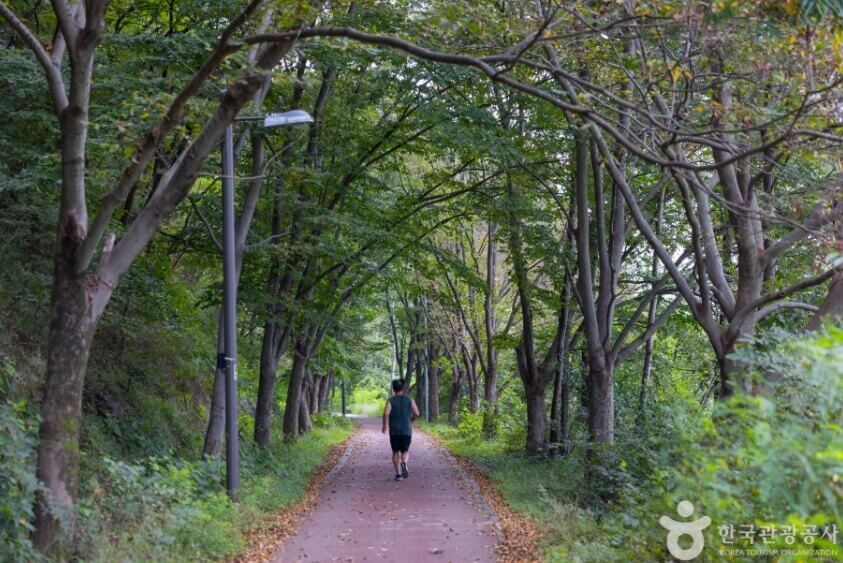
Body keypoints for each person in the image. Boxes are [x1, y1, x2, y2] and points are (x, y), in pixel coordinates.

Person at [382, 379, 420, 481]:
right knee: (405, 450)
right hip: (406, 430)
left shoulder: (390, 400)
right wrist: (411, 420)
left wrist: (384, 426)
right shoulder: (409, 399)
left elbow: (386, 413)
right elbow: (417, 413)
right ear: (402, 388)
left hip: (394, 430)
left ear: (393, 389)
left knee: (395, 452)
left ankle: (398, 474)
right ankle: (404, 462)